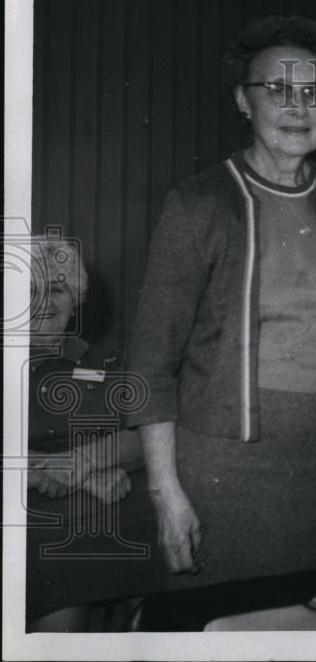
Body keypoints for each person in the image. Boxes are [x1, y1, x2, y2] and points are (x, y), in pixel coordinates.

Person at [126, 16, 316, 587]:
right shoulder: (198, 205)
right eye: (277, 89)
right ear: (242, 101)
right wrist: (164, 490)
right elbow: (151, 363)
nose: (297, 107)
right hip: (228, 471)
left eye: (314, 92)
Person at [25, 237, 161, 631]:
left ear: (77, 299)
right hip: (39, 512)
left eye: (57, 289)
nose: (45, 301)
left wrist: (83, 462)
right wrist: (77, 478)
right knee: (53, 556)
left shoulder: (108, 361)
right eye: (31, 290)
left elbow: (147, 435)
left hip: (117, 502)